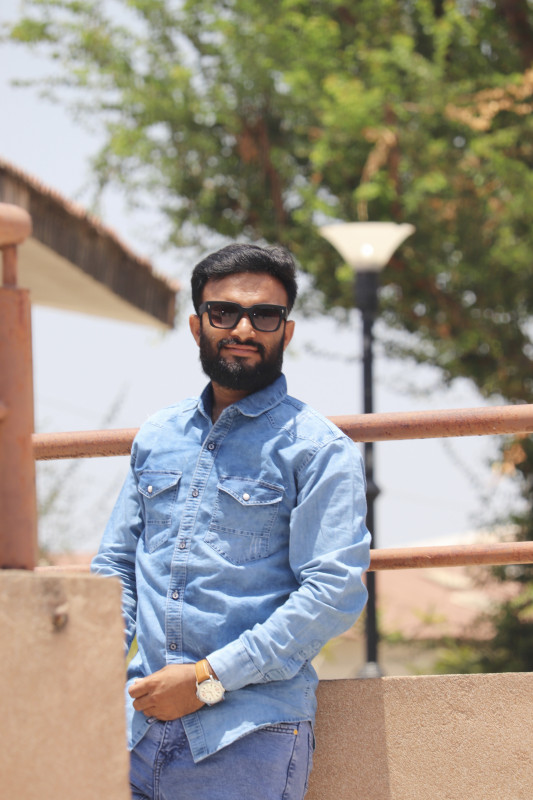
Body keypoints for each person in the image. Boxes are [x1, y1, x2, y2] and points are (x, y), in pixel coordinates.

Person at [92, 243, 371, 800]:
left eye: (264, 315)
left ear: (286, 332)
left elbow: (333, 593)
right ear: (197, 325)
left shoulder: (317, 449)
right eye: (224, 312)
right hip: (132, 731)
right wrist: (94, 674)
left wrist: (206, 680)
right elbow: (117, 566)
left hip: (246, 737)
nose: (243, 329)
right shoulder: (159, 435)